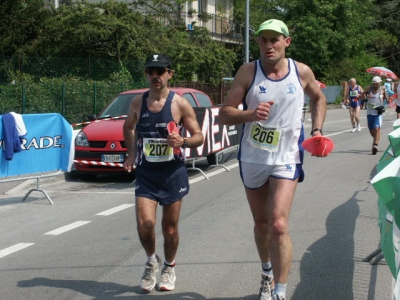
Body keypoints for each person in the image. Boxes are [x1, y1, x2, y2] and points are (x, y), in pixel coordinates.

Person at [219, 19, 327, 300]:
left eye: (274, 39)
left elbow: (318, 98)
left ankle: (280, 290)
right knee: (262, 225)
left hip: (287, 156)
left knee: (278, 224)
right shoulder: (247, 72)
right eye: (264, 40)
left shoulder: (300, 71)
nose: (269, 45)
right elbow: (224, 114)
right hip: (253, 157)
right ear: (258, 43)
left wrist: (316, 130)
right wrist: (250, 114)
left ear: (286, 42)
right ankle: (267, 271)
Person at [123, 53, 204, 292]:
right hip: (147, 173)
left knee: (170, 229)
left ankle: (169, 266)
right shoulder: (138, 102)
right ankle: (151, 262)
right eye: (151, 71)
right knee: (145, 224)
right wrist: (130, 154)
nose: (156, 76)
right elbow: (128, 127)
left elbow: (199, 136)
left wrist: (183, 142)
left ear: (170, 73)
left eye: (161, 71)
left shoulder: (180, 103)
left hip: (172, 173)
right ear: (146, 74)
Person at [361, 76, 388, 155]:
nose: (375, 86)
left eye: (377, 84)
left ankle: (375, 145)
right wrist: (366, 96)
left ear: (380, 83)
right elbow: (360, 97)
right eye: (374, 84)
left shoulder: (382, 89)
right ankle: (376, 140)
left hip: (378, 113)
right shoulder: (368, 89)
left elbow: (387, 98)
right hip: (369, 113)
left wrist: (386, 98)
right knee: (371, 131)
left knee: (377, 129)